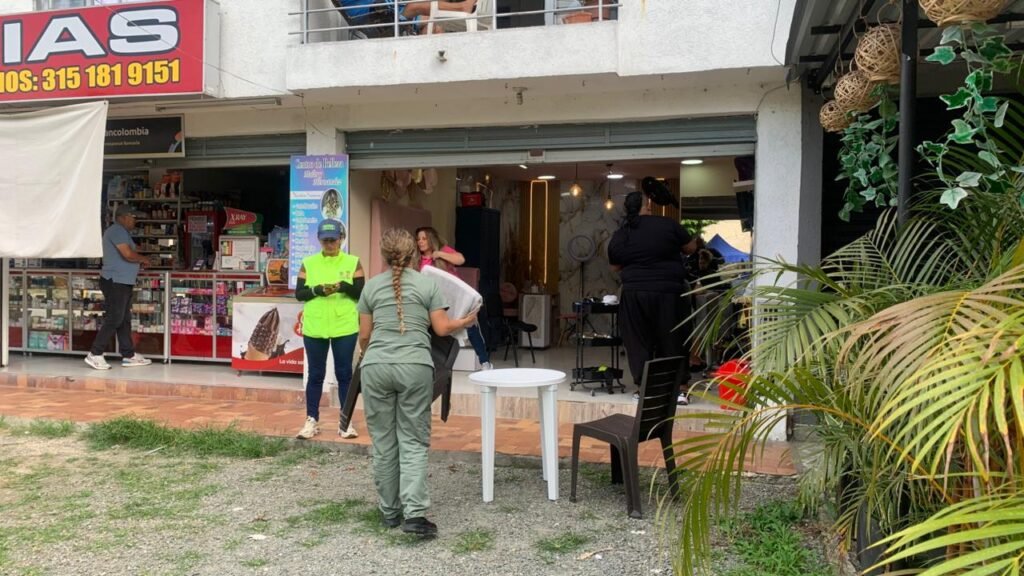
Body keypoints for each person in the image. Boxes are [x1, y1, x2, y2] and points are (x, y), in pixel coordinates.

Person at [357, 228, 477, 537]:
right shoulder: (427, 284)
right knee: (412, 440)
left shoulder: (371, 287)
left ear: (384, 256)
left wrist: (371, 355)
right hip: (415, 367)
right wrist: (465, 321)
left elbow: (365, 336)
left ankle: (389, 512)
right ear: (413, 254)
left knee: (384, 442)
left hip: (376, 368)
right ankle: (414, 515)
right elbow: (441, 329)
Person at [608, 191, 698, 404]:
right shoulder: (667, 224)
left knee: (638, 341)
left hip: (635, 293)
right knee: (673, 338)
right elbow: (690, 248)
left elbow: (615, 266)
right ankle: (680, 389)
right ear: (647, 206)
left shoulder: (622, 233)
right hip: (669, 292)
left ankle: (644, 389)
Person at [294, 219, 364, 440]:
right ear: (319, 240)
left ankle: (345, 422)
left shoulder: (353, 262)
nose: (330, 244)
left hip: (344, 326)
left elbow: (360, 292)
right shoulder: (308, 263)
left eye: (333, 240)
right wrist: (317, 290)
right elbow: (299, 294)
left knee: (344, 374)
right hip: (315, 326)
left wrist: (343, 286)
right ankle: (311, 420)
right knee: (315, 374)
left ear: (341, 239)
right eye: (325, 240)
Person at [85, 205, 153, 370]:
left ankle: (128, 354)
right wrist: (143, 259)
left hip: (123, 281)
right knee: (115, 318)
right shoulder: (116, 230)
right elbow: (127, 254)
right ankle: (95, 353)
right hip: (115, 281)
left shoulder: (123, 232)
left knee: (124, 319)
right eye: (132, 217)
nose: (135, 220)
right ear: (122, 217)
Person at [414, 226, 492, 370]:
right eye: (418, 239)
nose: (420, 242)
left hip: (454, 298)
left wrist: (439, 254)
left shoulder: (443, 251)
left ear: (431, 239)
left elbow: (460, 259)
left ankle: (484, 362)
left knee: (470, 326)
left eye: (424, 238)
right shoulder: (417, 260)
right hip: (434, 302)